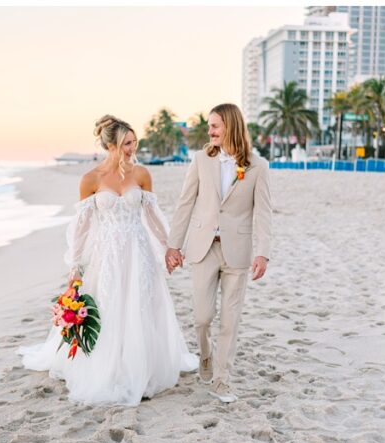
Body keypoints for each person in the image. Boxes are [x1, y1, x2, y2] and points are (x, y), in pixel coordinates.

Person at [18, 115, 198, 406]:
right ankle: (112, 369)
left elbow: (152, 216)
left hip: (137, 252)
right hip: (107, 255)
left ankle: (143, 369)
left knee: (140, 305)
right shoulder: (90, 179)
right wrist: (75, 266)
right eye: (126, 143)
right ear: (111, 144)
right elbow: (82, 226)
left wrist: (170, 247)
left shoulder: (141, 174)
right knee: (109, 306)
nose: (132, 148)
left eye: (133, 142)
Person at [166, 103, 273, 403]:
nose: (209, 131)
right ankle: (205, 355)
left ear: (231, 127)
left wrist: (262, 253)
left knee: (230, 320)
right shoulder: (201, 160)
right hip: (203, 248)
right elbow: (185, 203)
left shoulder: (258, 166)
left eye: (215, 126)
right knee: (202, 317)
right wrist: (174, 244)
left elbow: (263, 213)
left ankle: (222, 380)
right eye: (210, 126)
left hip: (238, 252)